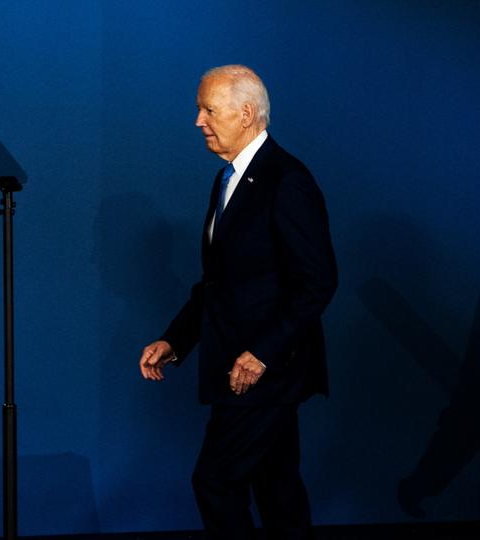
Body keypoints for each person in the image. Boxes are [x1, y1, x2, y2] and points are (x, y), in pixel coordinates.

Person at [139, 65, 338, 539]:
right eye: (199, 109)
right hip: (238, 364)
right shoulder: (226, 180)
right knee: (277, 487)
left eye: (208, 109)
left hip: (264, 372)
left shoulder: (287, 180)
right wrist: (175, 340)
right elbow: (218, 283)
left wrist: (263, 353)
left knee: (216, 482)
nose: (198, 121)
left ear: (246, 113)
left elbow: (318, 281)